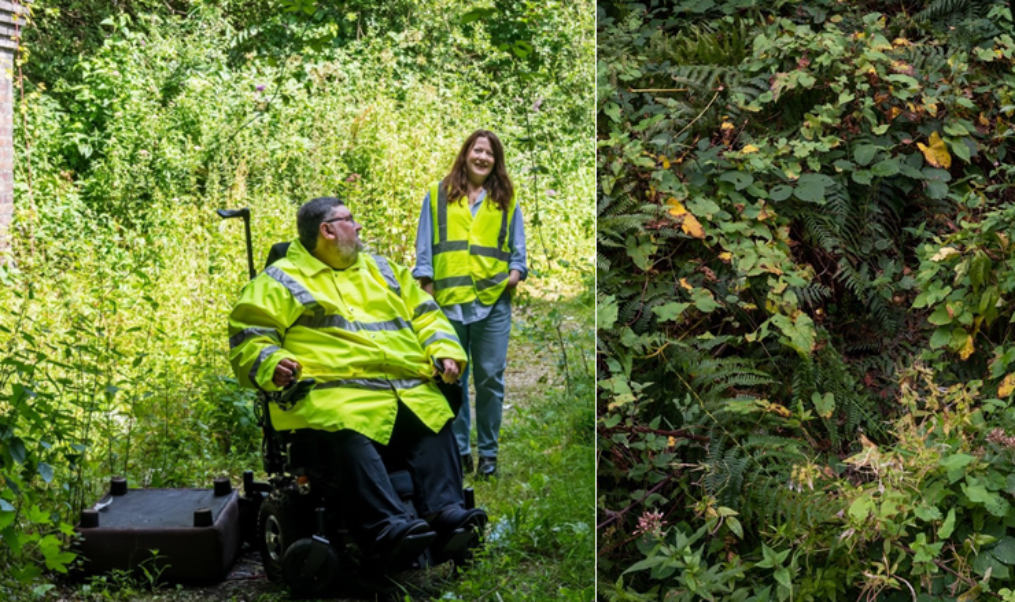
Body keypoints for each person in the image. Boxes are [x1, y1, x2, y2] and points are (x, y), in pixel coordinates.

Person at [227, 196, 486, 565]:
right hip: (332, 393)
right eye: (350, 219)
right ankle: (386, 530)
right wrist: (272, 362)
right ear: (327, 230)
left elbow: (428, 316)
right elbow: (249, 336)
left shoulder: (384, 270)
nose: (358, 226)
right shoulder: (281, 280)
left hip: (403, 388)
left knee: (434, 419)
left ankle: (445, 515)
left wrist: (444, 349)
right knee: (347, 432)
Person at [413, 129, 527, 479]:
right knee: (452, 377)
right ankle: (460, 452)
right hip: (449, 302)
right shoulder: (437, 194)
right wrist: (427, 286)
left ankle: (488, 455)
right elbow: (425, 247)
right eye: (478, 150)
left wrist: (513, 275)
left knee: (490, 378)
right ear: (466, 154)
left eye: (489, 153)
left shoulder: (507, 196)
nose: (482, 157)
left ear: (496, 161)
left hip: (492, 301)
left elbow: (518, 251)